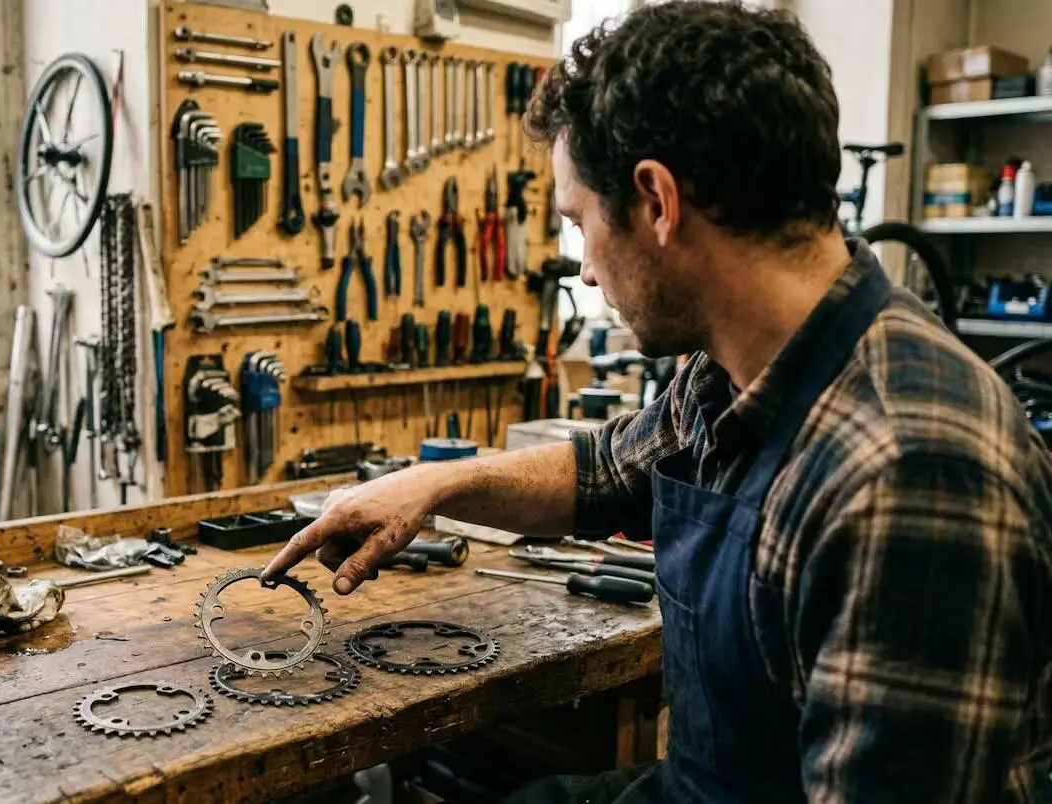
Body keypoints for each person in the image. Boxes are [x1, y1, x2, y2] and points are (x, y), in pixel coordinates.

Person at [260, 3, 1052, 802]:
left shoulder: (909, 473)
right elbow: (609, 470)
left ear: (657, 202)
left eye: (579, 224)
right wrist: (430, 488)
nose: (589, 274)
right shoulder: (733, 367)